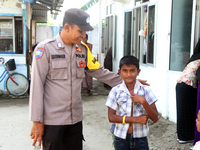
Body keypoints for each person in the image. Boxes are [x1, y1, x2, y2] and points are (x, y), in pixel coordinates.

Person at [29, 8, 149, 150]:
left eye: (85, 32)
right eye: (80, 31)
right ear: (67, 27)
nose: (83, 35)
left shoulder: (83, 50)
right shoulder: (45, 49)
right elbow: (36, 86)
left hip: (75, 120)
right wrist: (37, 121)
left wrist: (128, 81)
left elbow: (99, 72)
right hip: (52, 121)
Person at [105, 55, 158, 150]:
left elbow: (155, 118)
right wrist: (136, 119)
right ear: (119, 72)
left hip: (140, 139)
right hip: (120, 139)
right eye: (125, 71)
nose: (129, 74)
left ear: (138, 72)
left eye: (132, 71)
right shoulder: (115, 91)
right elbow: (111, 117)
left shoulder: (146, 91)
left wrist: (143, 101)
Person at [176, 38, 200, 144]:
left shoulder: (195, 57)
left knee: (184, 111)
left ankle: (183, 136)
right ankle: (187, 136)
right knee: (189, 112)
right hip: (188, 86)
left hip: (182, 85)